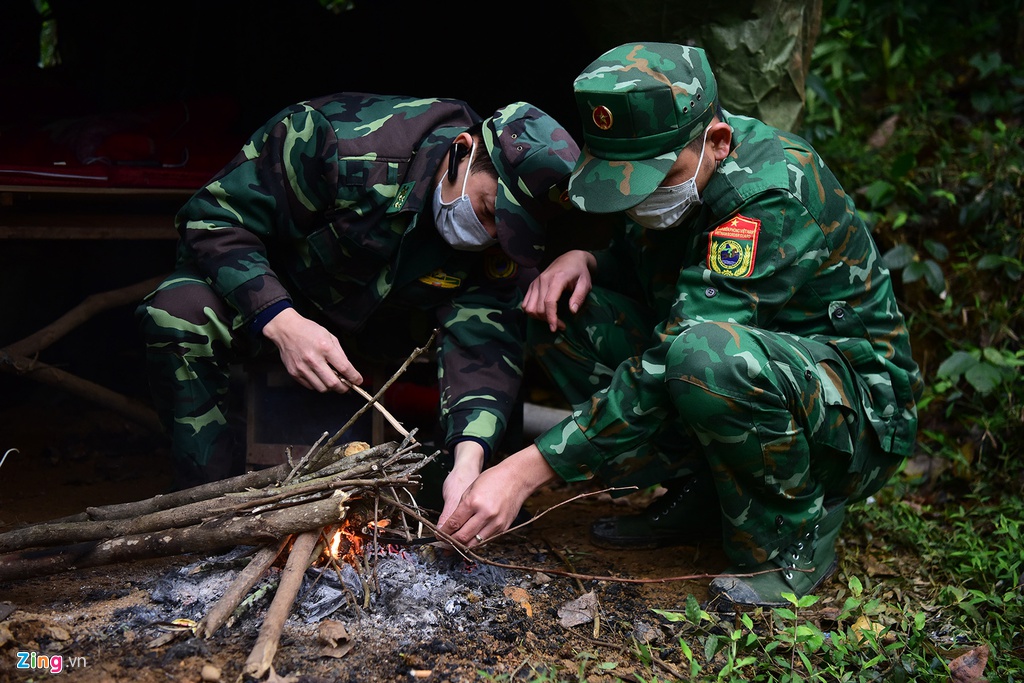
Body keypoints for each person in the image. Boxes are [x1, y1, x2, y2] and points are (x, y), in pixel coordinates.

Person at [438, 43, 922, 608]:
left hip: (854, 418)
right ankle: (706, 492)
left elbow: (677, 350)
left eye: (655, 176)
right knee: (555, 305)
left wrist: (526, 470)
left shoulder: (767, 195)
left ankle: (793, 543)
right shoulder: (672, 164)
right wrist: (589, 261)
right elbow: (660, 271)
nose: (639, 195)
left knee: (705, 356)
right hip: (742, 368)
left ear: (717, 141)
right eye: (624, 178)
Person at [136, 93, 580, 491]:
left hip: (384, 336)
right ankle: (211, 501)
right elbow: (213, 220)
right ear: (462, 150)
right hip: (270, 307)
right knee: (179, 310)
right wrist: (280, 320)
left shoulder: (497, 241)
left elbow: (482, 342)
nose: (485, 236)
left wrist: (470, 456)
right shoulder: (334, 141)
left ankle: (440, 491)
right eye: (485, 210)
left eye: (503, 233)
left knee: (522, 312)